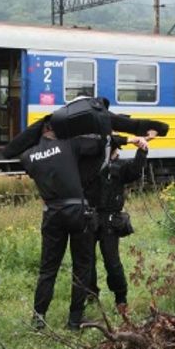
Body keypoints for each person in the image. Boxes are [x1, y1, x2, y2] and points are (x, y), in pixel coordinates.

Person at [19, 125, 104, 330]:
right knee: (81, 267)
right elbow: (97, 145)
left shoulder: (28, 155)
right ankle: (75, 320)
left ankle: (38, 319)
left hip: (51, 213)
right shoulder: (69, 143)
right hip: (76, 210)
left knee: (47, 269)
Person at [87, 134, 150, 314]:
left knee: (112, 262)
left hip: (109, 220)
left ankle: (120, 299)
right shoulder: (91, 166)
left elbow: (135, 171)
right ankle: (90, 295)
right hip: (90, 217)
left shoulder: (120, 167)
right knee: (87, 261)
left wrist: (142, 151)